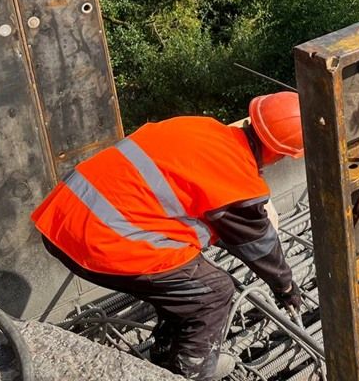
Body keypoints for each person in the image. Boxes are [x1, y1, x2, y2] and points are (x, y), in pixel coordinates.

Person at [32, 92, 305, 380]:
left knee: (184, 283)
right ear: (280, 153)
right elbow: (259, 246)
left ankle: (166, 353)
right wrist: (286, 287)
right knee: (214, 291)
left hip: (61, 215)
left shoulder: (201, 127)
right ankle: (189, 372)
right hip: (100, 239)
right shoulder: (239, 180)